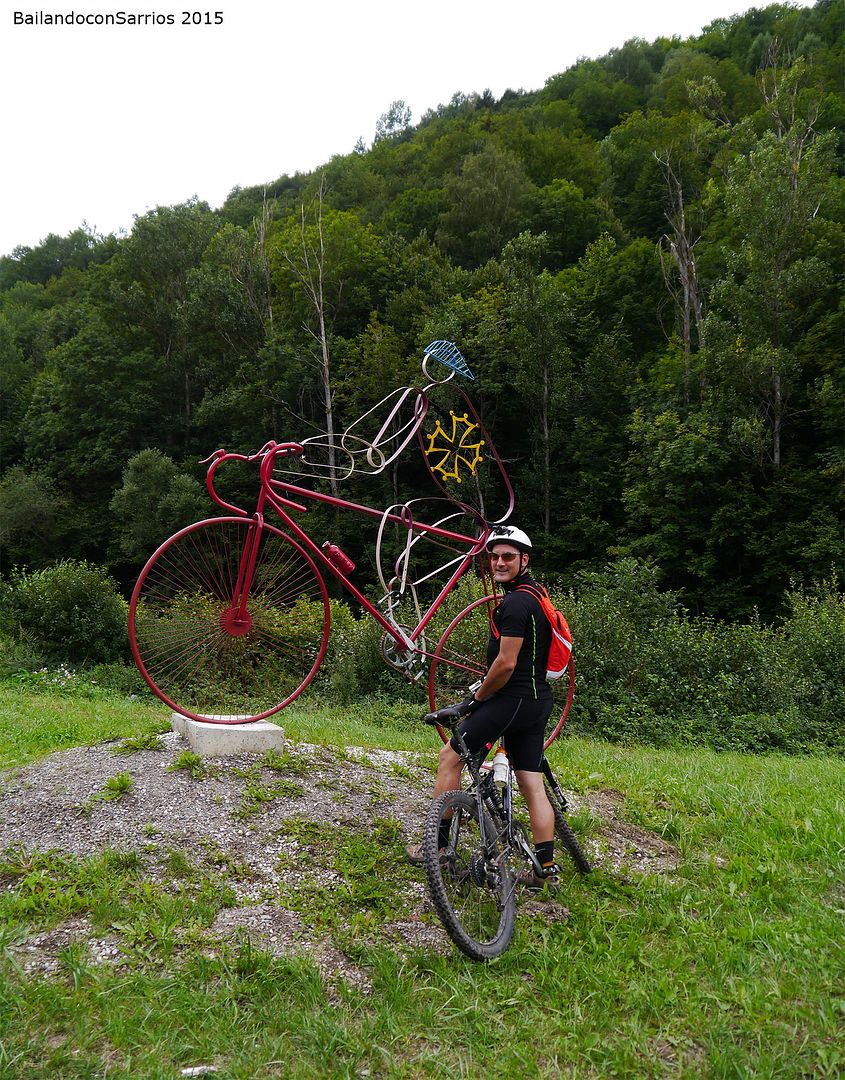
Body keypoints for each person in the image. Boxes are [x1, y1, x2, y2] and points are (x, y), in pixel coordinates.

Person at [406, 525, 560, 887]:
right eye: (494, 556)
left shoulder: (516, 603)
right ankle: (546, 869)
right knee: (531, 782)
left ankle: (438, 848)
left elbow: (505, 664)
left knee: (450, 756)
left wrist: (475, 700)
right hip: (537, 702)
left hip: (511, 700)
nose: (499, 562)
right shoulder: (536, 594)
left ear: (524, 560)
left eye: (508, 556)